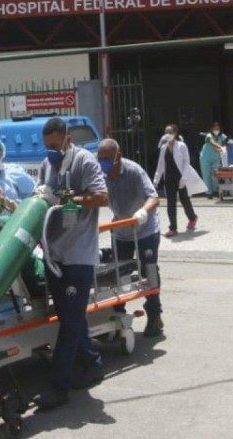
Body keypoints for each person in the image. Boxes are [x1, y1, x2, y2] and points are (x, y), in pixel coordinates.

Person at [34, 117, 109, 411]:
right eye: (47, 146)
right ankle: (92, 362)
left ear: (66, 138)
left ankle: (58, 386)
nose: (51, 150)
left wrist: (72, 199)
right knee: (70, 317)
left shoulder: (85, 162)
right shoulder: (47, 165)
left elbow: (102, 197)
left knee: (69, 322)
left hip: (78, 255)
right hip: (55, 254)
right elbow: (42, 193)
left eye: (55, 145)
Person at [97, 138, 163, 337]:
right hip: (121, 230)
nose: (103, 162)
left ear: (118, 156)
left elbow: (154, 197)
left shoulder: (133, 171)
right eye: (100, 158)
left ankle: (155, 315)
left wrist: (142, 212)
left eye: (107, 158)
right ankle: (118, 317)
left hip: (144, 229)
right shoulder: (101, 174)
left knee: (148, 269)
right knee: (117, 273)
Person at [153, 124, 199, 238]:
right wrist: (156, 180)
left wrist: (184, 178)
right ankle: (173, 228)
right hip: (169, 178)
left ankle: (192, 217)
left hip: (180, 177)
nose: (167, 135)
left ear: (175, 133)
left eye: (169, 132)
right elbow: (160, 165)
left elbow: (186, 163)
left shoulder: (181, 146)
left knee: (184, 200)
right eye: (166, 132)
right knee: (170, 203)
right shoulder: (163, 148)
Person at [199, 122, 228, 199]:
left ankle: (215, 191)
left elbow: (225, 145)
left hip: (216, 158)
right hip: (205, 157)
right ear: (211, 129)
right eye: (215, 129)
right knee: (206, 175)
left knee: (215, 174)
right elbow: (212, 142)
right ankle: (209, 192)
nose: (216, 130)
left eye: (217, 129)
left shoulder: (223, 136)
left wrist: (222, 148)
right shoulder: (209, 135)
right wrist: (220, 147)